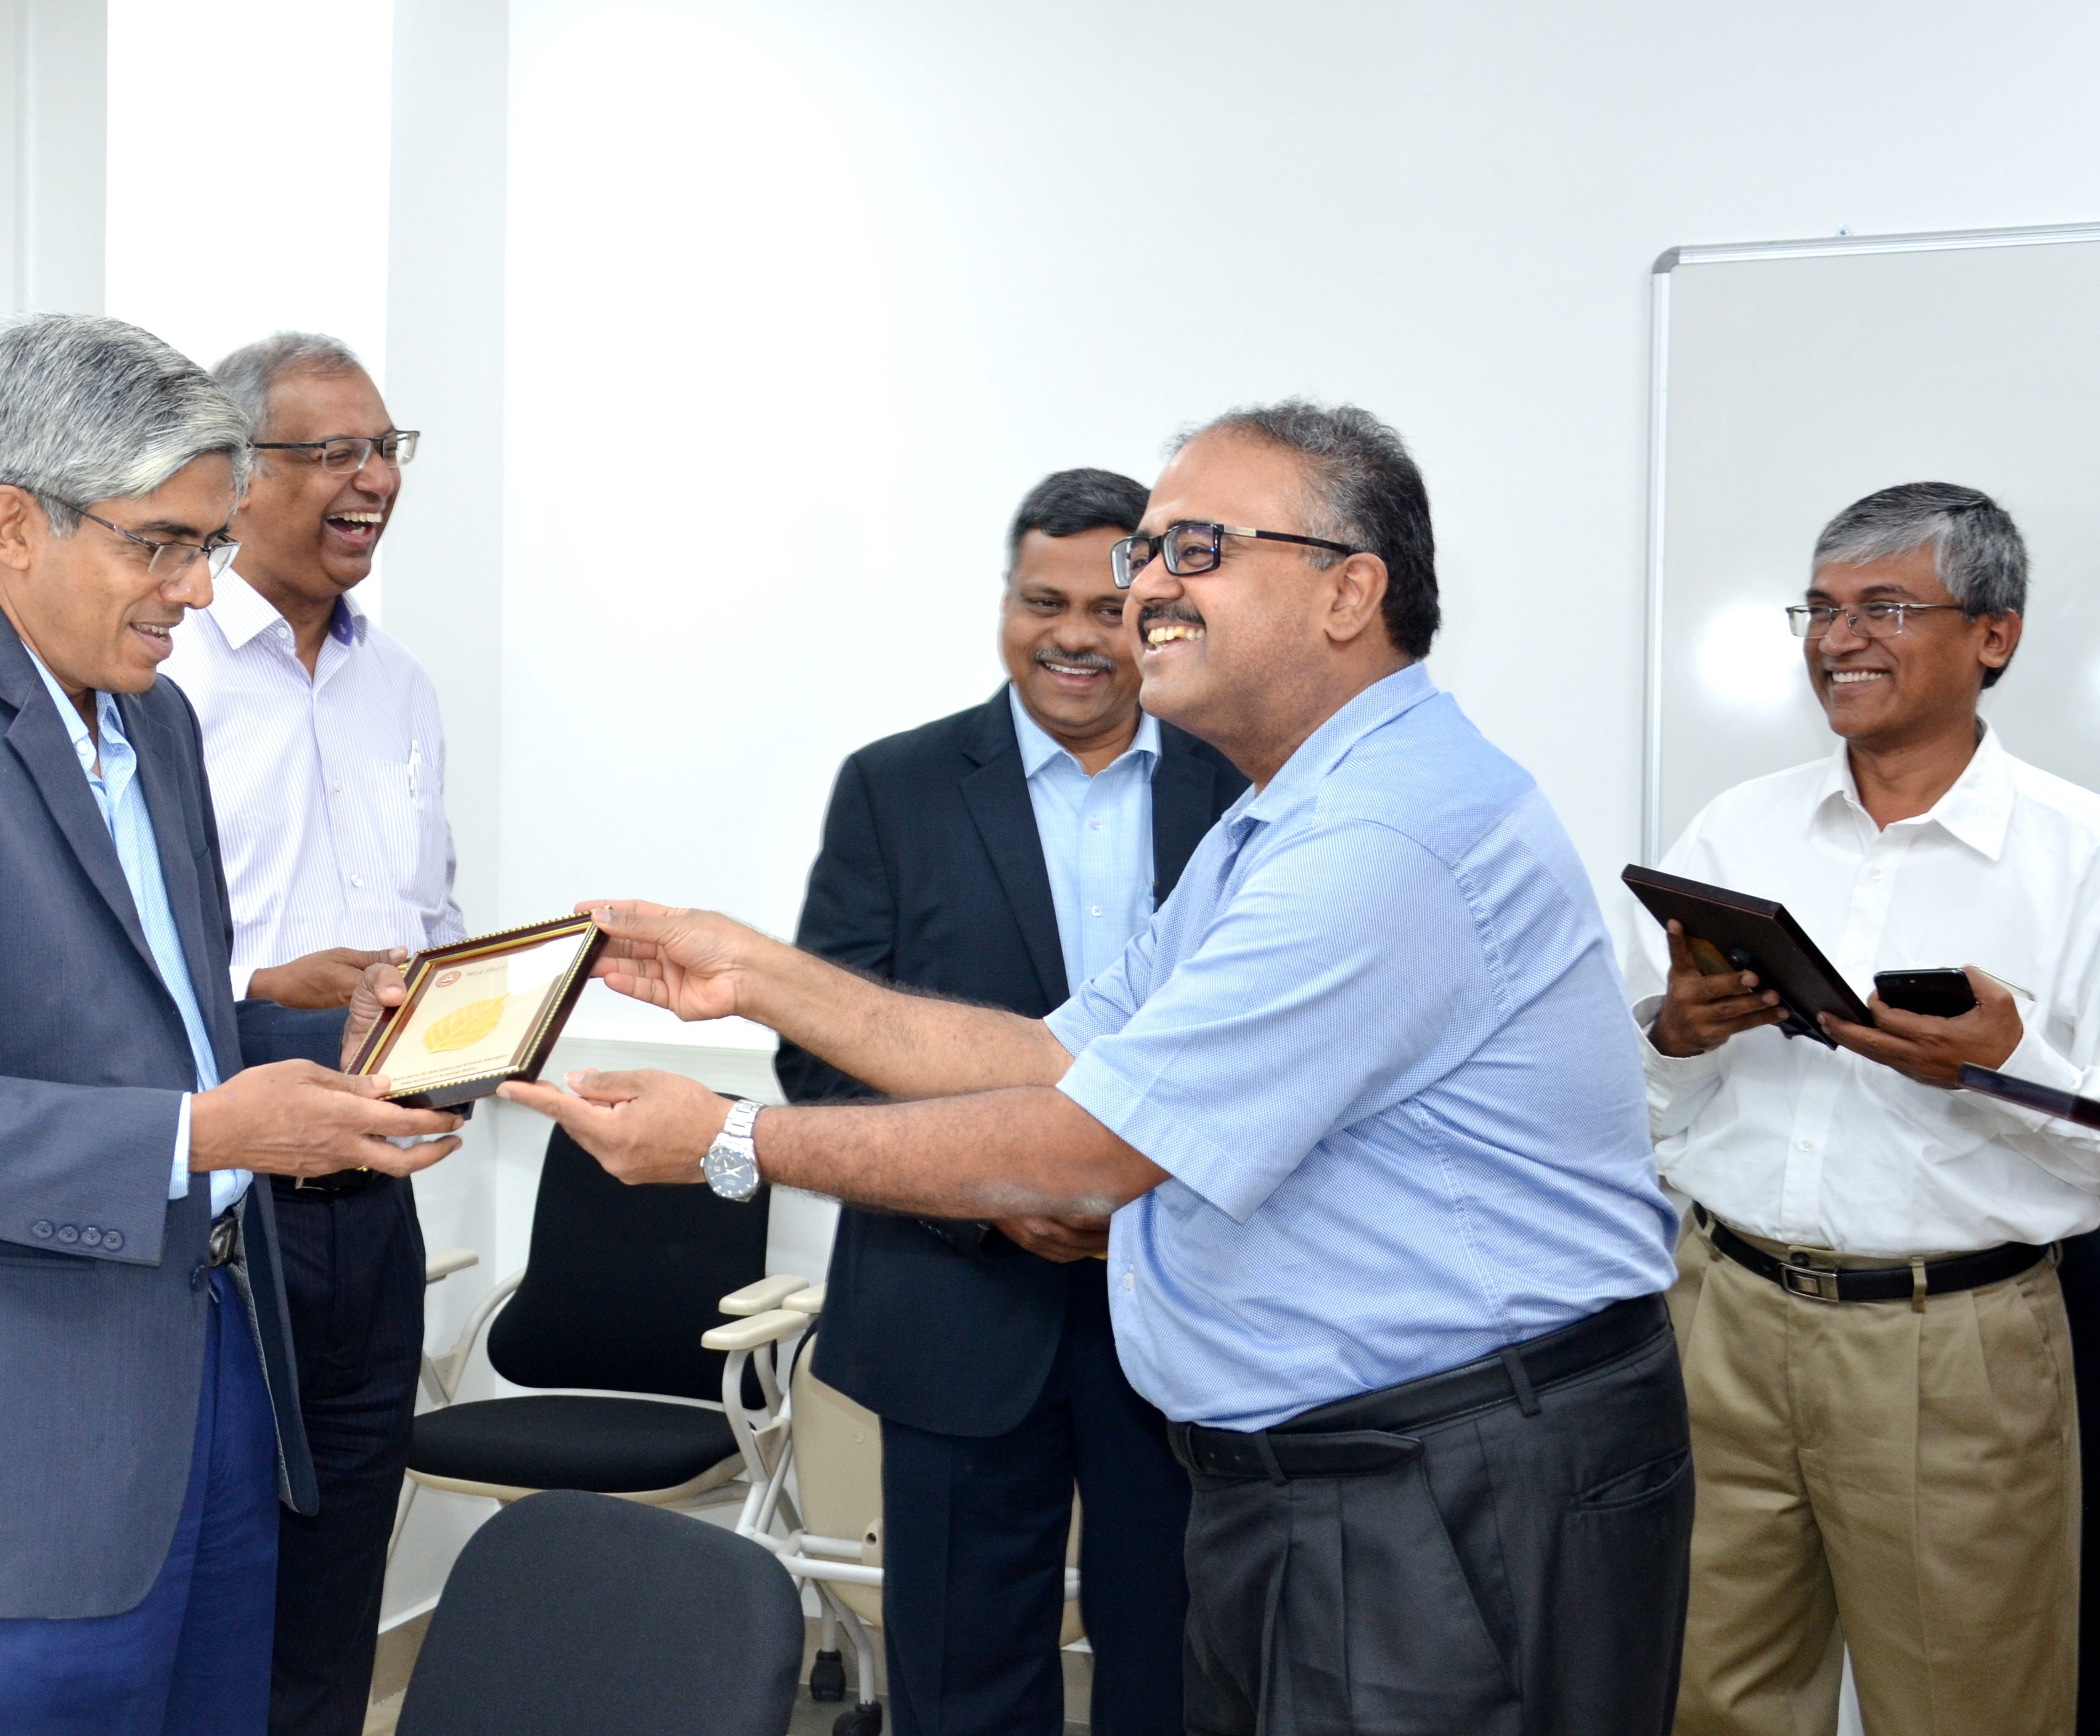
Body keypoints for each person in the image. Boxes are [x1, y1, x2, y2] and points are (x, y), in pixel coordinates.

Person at [502, 401, 1693, 1735]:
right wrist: (755, 972)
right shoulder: (1285, 809)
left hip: (1452, 1482)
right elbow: (1066, 1048)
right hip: (1344, 1468)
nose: (1147, 592)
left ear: (1351, 590)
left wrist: (728, 1139)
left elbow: (1089, 1142)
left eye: (1196, 548)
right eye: (1148, 553)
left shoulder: (1384, 834)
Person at [0, 312, 465, 1736]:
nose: (199, 592)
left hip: (212, 1371)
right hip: (14, 1443)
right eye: (163, 544)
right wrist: (205, 1130)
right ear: (14, 522)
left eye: (207, 545)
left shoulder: (157, 730)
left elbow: (165, 1028)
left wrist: (323, 1043)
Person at [777, 466, 1243, 1735]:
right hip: (957, 1304)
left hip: (1190, 1301)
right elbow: (821, 1059)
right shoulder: (896, 785)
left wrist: (1122, 1191)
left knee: (1186, 1670)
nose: (1077, 636)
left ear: (1161, 612)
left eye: (1112, 607)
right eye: (1046, 600)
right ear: (1005, 601)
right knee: (961, 1680)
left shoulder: (1245, 789)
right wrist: (999, 1198)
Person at [1630, 482, 2098, 1736]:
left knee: (1970, 1708)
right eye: (1823, 608)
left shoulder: (2079, 855)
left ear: (1994, 634)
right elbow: (1645, 1094)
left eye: (1886, 606)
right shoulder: (1740, 827)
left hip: (1956, 1349)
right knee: (1706, 1693)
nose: (1840, 638)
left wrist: (2006, 1058)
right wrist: (1674, 1032)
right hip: (1724, 1313)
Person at [161, 329, 461, 1736]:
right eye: (334, 451)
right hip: (225, 1207)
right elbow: (136, 962)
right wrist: (289, 985)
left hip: (373, 1203)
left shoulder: (399, 685)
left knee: (342, 1575)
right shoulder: (164, 684)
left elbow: (430, 910)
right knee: (219, 1582)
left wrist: (457, 1015)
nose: (373, 479)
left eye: (389, 447)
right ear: (237, 475)